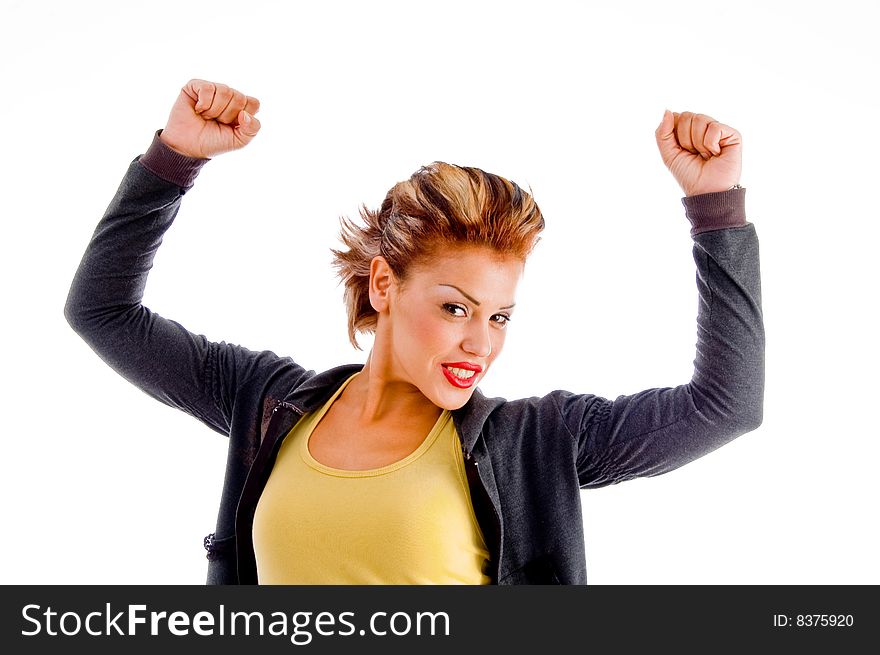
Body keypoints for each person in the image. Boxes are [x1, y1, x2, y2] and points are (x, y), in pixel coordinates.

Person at [64, 79, 764, 585]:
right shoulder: (265, 403)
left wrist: (715, 207)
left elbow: (724, 405)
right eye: (457, 308)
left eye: (499, 316)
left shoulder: (533, 442)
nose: (480, 344)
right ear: (383, 285)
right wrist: (174, 158)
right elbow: (102, 310)